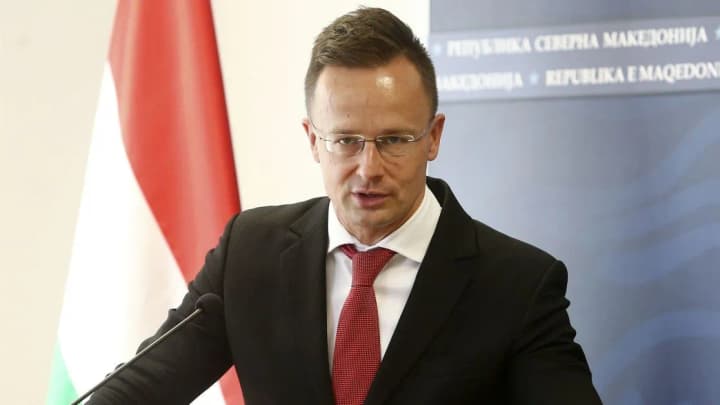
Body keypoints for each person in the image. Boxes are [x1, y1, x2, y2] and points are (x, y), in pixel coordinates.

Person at [88, 7, 602, 404]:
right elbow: (140, 390)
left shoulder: (517, 285)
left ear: (433, 137)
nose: (368, 167)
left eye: (394, 140)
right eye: (346, 141)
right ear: (313, 140)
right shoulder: (251, 252)